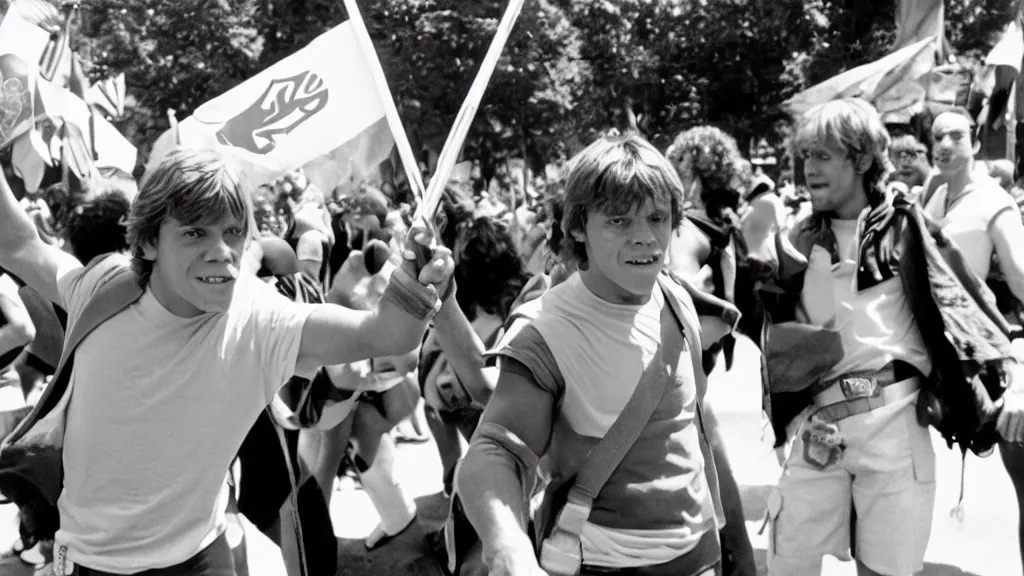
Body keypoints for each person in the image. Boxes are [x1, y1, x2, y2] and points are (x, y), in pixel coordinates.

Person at [0, 147, 455, 576]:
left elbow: (385, 333)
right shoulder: (104, 287)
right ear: (148, 242)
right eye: (195, 232)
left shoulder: (257, 318)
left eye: (233, 231)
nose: (221, 249)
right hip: (87, 562)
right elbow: (18, 244)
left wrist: (413, 289)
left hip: (200, 559)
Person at [763, 98, 1024, 576]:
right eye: (805, 157)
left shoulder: (909, 227)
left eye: (823, 155)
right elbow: (776, 337)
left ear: (861, 159)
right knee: (787, 567)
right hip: (817, 432)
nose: (808, 169)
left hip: (895, 431)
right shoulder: (795, 239)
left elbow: (974, 313)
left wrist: (1017, 379)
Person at [456, 133, 725, 576]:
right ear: (578, 225)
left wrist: (733, 548)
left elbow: (698, 432)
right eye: (619, 221)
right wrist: (508, 545)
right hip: (597, 564)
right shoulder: (545, 331)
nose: (644, 238)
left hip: (698, 558)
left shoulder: (677, 302)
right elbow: (493, 450)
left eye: (657, 218)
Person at [920, 108, 1024, 568]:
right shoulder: (935, 194)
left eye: (955, 136)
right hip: (951, 364)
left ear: (976, 142)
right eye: (937, 136)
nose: (943, 144)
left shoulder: (992, 201)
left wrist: (1021, 376)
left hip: (999, 366)